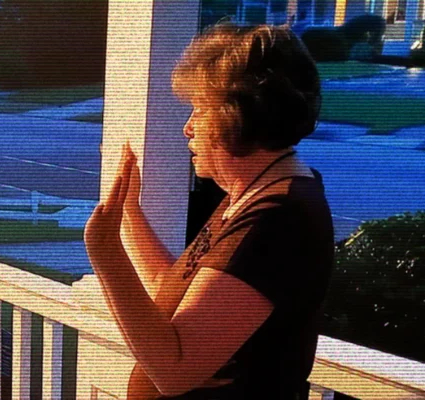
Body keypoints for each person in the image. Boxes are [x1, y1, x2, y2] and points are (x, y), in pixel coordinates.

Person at [84, 24, 334, 399]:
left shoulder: (277, 216)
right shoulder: (253, 193)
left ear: (239, 116)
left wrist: (106, 254)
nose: (187, 128)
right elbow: (173, 291)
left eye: (200, 110)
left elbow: (173, 370)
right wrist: (130, 214)